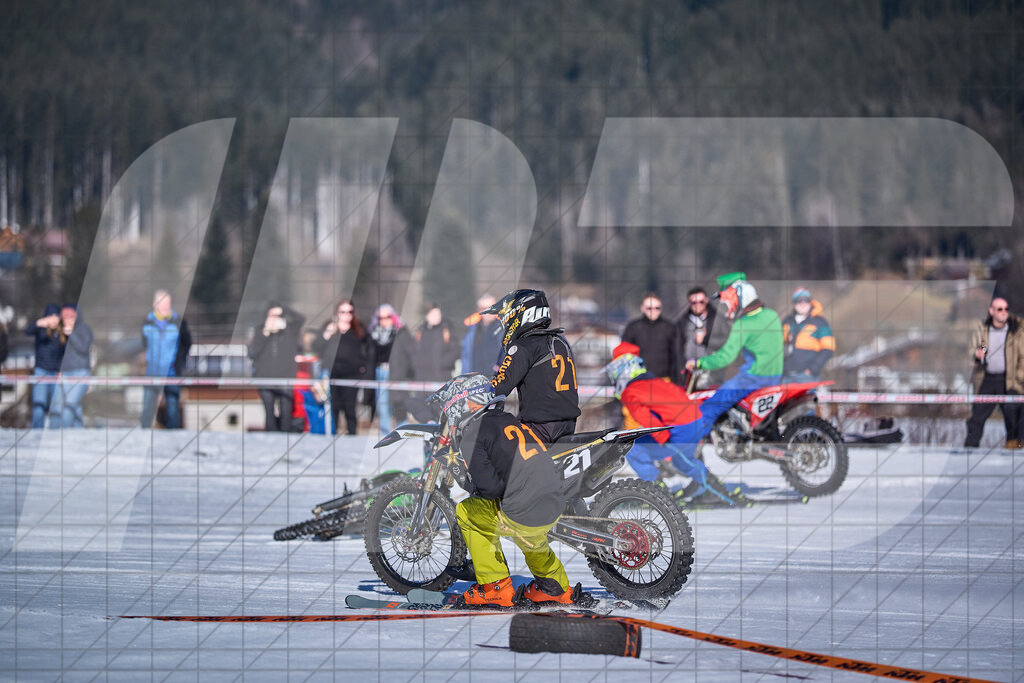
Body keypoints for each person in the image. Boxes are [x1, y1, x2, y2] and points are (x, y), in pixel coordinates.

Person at [432, 373, 586, 607]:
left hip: (523, 512)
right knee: (531, 537)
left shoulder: (473, 434)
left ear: (465, 403)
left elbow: (490, 489)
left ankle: (495, 588)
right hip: (553, 503)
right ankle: (554, 588)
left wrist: (464, 477)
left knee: (467, 512)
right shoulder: (508, 420)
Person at [605, 342, 741, 505]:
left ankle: (660, 493)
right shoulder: (655, 381)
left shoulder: (631, 391)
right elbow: (679, 397)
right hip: (692, 421)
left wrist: (663, 437)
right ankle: (711, 491)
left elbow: (646, 418)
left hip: (681, 427)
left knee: (633, 448)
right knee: (682, 461)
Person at [679, 273, 784, 462]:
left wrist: (700, 362)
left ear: (740, 295)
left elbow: (725, 357)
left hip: (753, 378)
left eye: (728, 300)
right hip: (775, 376)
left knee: (709, 408)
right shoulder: (772, 315)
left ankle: (685, 455)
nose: (727, 305)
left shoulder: (743, 324)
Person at [482, 289, 581, 444]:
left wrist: (474, 394)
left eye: (506, 319)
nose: (505, 324)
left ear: (518, 314)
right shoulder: (559, 341)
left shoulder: (524, 346)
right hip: (568, 425)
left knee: (487, 443)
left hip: (539, 427)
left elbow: (499, 387)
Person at [964, 297, 1024, 449]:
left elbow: (1022, 356)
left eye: (1006, 309)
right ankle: (970, 449)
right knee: (977, 416)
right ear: (991, 311)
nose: (1004, 312)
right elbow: (974, 350)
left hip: (1010, 380)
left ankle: (1014, 449)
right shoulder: (983, 329)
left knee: (1013, 415)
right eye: (999, 309)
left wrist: (1019, 377)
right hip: (987, 378)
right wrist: (977, 356)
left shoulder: (1016, 330)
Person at [388, 303, 460, 423]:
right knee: (424, 415)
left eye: (438, 313)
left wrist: (442, 363)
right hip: (422, 382)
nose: (436, 316)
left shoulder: (447, 330)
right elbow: (412, 352)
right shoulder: (420, 331)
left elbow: (456, 351)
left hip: (441, 380)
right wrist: (416, 365)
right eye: (433, 314)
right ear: (426, 315)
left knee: (442, 416)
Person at [249, 302, 305, 432]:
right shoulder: (260, 331)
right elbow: (253, 352)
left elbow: (301, 319)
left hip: (286, 377)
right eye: (272, 315)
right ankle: (271, 437)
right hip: (265, 378)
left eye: (277, 316)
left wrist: (284, 309)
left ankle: (285, 436)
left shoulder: (289, 331)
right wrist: (265, 333)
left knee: (286, 411)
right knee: (269, 412)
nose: (274, 319)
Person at [317, 299, 370, 435]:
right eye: (343, 312)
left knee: (349, 408)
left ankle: (352, 435)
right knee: (333, 407)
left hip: (351, 374)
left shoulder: (358, 329)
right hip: (332, 373)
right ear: (337, 313)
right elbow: (317, 347)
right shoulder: (330, 327)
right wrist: (326, 335)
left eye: (350, 312)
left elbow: (369, 349)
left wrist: (363, 367)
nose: (347, 315)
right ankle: (332, 435)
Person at [141, 289, 191, 429]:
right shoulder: (147, 322)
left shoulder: (178, 322)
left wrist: (180, 363)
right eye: (162, 303)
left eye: (167, 303)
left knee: (173, 408)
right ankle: (143, 433)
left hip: (172, 372)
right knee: (147, 407)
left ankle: (173, 435)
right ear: (155, 304)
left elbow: (187, 344)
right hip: (152, 372)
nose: (165, 306)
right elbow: (144, 344)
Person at [50, 304, 93, 428]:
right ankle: (76, 432)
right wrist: (58, 369)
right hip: (65, 373)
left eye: (70, 317)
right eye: (64, 317)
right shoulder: (61, 332)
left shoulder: (84, 329)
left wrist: (71, 334)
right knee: (67, 406)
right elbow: (59, 353)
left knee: (70, 405)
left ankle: (61, 432)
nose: (67, 320)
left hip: (81, 372)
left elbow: (83, 348)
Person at [620, 292, 679, 382]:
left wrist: (676, 380)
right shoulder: (633, 328)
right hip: (639, 380)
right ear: (642, 308)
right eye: (649, 308)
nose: (653, 311)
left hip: (664, 380)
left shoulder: (670, 328)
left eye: (657, 308)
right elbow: (625, 355)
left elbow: (677, 356)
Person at [677, 286, 728, 389]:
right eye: (694, 302)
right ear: (689, 303)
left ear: (706, 301)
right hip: (689, 372)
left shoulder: (718, 320)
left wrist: (705, 339)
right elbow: (677, 348)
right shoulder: (682, 322)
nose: (698, 305)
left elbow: (728, 343)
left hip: (711, 372)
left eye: (701, 302)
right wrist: (681, 366)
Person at [781, 287, 835, 380]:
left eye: (805, 300)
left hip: (807, 377)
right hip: (786, 375)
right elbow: (778, 345)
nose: (802, 303)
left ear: (810, 302)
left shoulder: (820, 322)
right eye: (799, 300)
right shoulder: (787, 321)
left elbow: (829, 349)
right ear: (794, 303)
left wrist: (812, 370)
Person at [26, 303, 64, 428]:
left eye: (56, 318)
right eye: (50, 318)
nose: (53, 321)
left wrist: (60, 370)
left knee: (56, 405)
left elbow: (64, 353)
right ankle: (37, 430)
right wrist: (39, 323)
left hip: (56, 373)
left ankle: (55, 430)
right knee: (39, 404)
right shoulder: (40, 330)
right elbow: (27, 331)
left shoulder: (62, 333)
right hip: (41, 371)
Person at [369, 303, 403, 434]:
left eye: (387, 317)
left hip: (395, 373)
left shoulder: (399, 333)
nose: (384, 320)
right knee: (382, 405)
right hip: (380, 372)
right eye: (380, 318)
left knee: (398, 404)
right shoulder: (373, 335)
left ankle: (402, 434)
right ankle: (385, 434)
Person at [460, 293, 502, 375]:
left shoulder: (504, 329)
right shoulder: (472, 330)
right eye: (485, 308)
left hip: (496, 378)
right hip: (474, 377)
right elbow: (466, 357)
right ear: (479, 310)